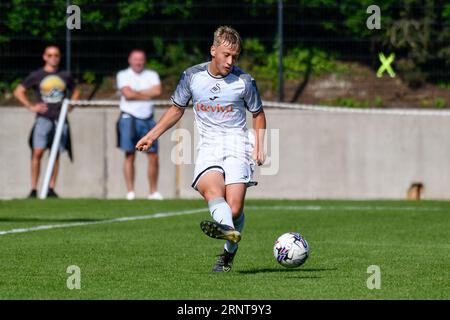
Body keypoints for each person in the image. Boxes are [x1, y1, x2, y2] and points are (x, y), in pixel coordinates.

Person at [136, 26, 266, 272]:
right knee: (213, 194)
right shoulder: (192, 77)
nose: (230, 61)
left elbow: (258, 115)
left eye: (235, 57)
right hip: (209, 147)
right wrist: (151, 136)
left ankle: (228, 252)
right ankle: (228, 230)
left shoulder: (244, 82)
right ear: (213, 50)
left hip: (238, 145)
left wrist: (259, 146)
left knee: (235, 208)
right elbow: (176, 109)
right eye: (226, 55)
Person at [13, 44, 80, 198]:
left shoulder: (65, 75)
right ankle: (34, 188)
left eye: (56, 55)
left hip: (60, 118)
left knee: (55, 153)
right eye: (50, 55)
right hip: (43, 118)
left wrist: (71, 105)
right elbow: (18, 91)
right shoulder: (37, 75)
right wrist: (31, 106)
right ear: (44, 57)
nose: (53, 58)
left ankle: (51, 188)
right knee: (37, 152)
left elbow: (76, 91)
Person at [116, 49, 163, 200]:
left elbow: (157, 91)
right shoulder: (123, 75)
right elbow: (127, 95)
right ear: (130, 60)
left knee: (153, 155)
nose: (138, 62)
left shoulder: (152, 75)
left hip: (148, 119)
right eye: (135, 59)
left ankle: (153, 192)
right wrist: (146, 93)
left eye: (141, 59)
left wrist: (136, 93)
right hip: (129, 118)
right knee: (130, 154)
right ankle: (130, 192)